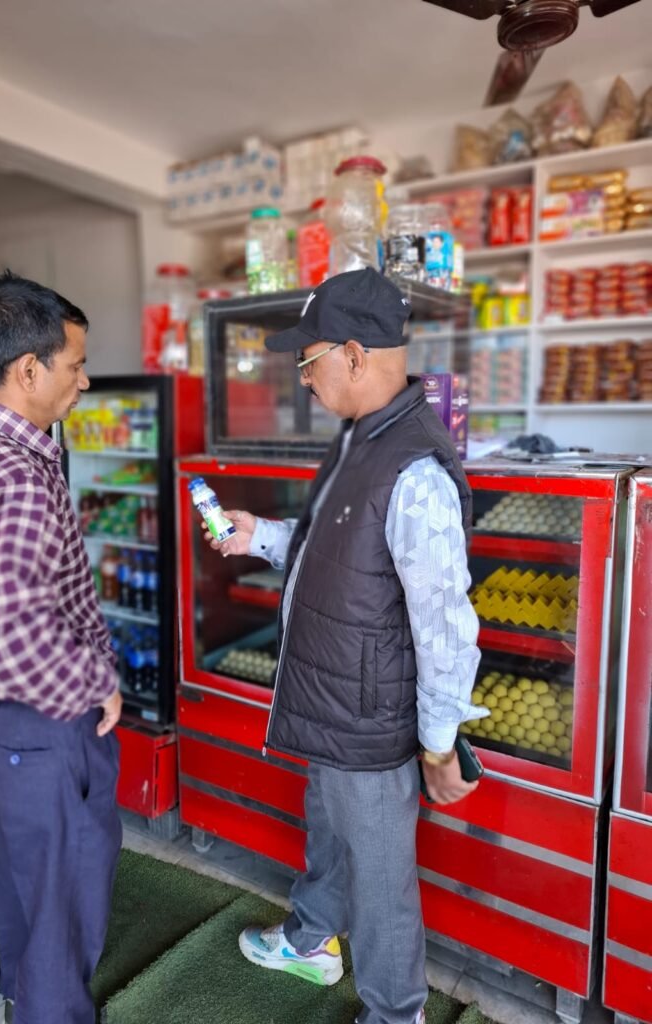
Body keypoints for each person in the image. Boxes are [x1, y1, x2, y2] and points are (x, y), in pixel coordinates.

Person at [203, 268, 486, 1024]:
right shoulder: (363, 438)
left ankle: (396, 1013)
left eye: (308, 361)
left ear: (354, 355)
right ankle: (312, 939)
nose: (303, 379)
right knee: (328, 829)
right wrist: (261, 536)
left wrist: (438, 743)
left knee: (380, 876)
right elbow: (339, 549)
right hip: (330, 698)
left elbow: (444, 622)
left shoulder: (414, 468)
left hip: (367, 714)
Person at [0, 272, 123, 1024]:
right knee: (62, 904)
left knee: (22, 891)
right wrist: (95, 682)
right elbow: (16, 638)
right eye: (76, 364)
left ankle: (24, 996)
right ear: (29, 369)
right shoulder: (15, 477)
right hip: (39, 726)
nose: (84, 380)